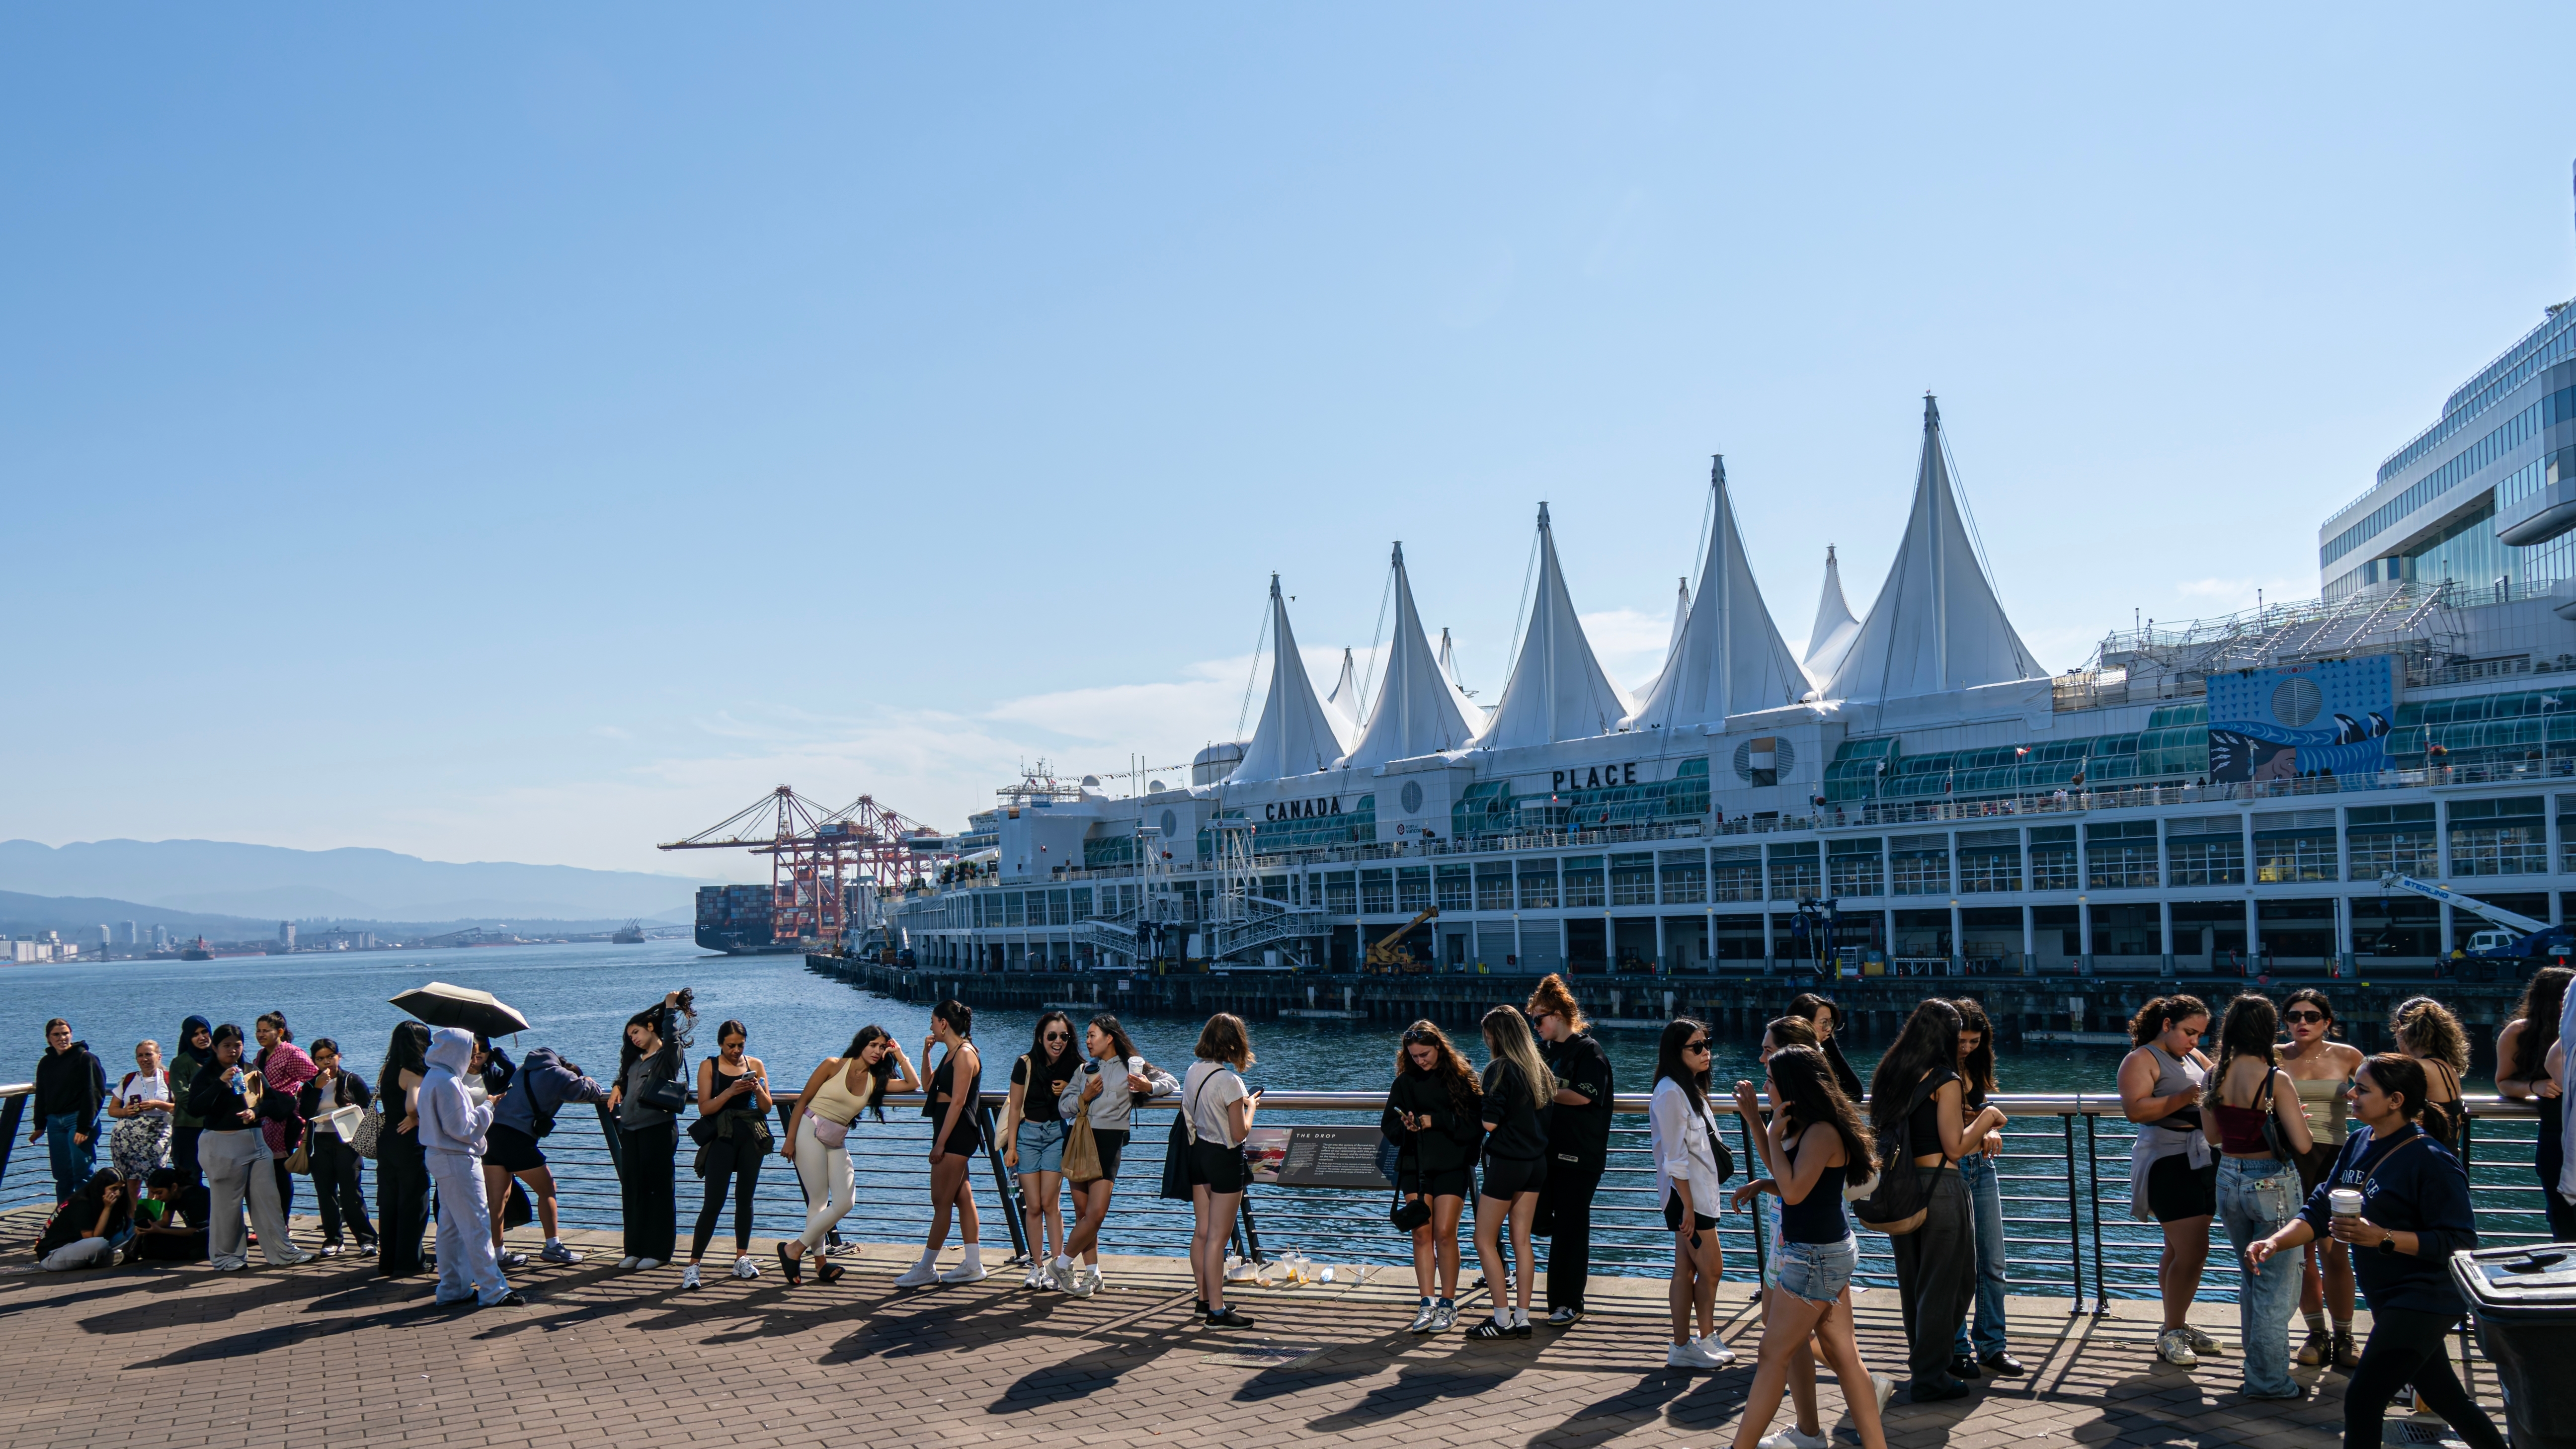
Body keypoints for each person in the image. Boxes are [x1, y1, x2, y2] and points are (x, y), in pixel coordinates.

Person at [2247, 1055, 2506, 1449]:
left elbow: (2459, 1242)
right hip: (2387, 1295)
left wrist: (2383, 1237)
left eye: (2363, 1089)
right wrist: (2275, 1241)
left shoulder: (2432, 1161)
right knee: (2444, 1396)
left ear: (2396, 1100)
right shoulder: (2358, 1142)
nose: (2351, 1094)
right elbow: (2319, 1208)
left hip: (2425, 1298)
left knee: (2363, 1399)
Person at [1730, 1045, 1887, 1449]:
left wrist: (1768, 1132)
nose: (1765, 1086)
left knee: (1772, 1355)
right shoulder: (1807, 1126)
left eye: (1771, 1081)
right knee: (1845, 1357)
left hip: (1816, 1257)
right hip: (1826, 1251)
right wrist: (1760, 1131)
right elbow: (1791, 1181)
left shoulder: (1821, 1132)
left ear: (1792, 1087)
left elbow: (1795, 1193)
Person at [1871, 997, 2001, 1403]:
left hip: (1900, 1188)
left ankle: (1925, 1365)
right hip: (1939, 1188)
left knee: (1915, 1283)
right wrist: (1989, 1117)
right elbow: (1956, 1146)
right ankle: (1931, 1376)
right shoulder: (1946, 1080)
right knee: (1951, 1282)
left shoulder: (1891, 1074)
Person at [2202, 992, 2316, 1400]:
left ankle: (2257, 1367)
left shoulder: (2212, 1075)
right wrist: (2294, 1119)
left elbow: (2214, 1137)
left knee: (2251, 1277)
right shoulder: (2276, 1079)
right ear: (2268, 1031)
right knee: (2275, 1282)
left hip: (2228, 1177)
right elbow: (2303, 1145)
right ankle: (2268, 1381)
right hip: (2271, 1181)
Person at [2117, 993, 2217, 1369]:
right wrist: (2186, 1096)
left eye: (2200, 1035)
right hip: (2167, 1161)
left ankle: (2175, 1324)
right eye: (2189, 1032)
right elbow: (2135, 1110)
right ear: (2166, 1025)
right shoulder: (2141, 1059)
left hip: (2202, 1157)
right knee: (2193, 1252)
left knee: (2178, 1251)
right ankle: (2171, 1332)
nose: (2195, 1041)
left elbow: (2218, 1085)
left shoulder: (2192, 1057)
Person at [1050, 1013, 1177, 1297]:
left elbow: (1172, 1083)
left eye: (1093, 1035)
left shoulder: (1134, 1066)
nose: (1087, 1040)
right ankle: (1093, 1275)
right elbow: (1064, 1106)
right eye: (1087, 1035)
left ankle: (1061, 1264)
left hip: (1109, 1141)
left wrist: (1148, 1086)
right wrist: (1084, 1097)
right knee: (1083, 1214)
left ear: (1110, 1038)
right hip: (1079, 1138)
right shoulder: (1085, 1070)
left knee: (1095, 1214)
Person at [780, 1024, 914, 1286]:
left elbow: (913, 1083)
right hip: (810, 1128)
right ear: (861, 1044)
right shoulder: (833, 1065)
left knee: (845, 1201)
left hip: (836, 1138)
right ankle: (819, 1264)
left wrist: (899, 1054)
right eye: (873, 1045)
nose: (877, 1051)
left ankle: (794, 1249)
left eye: (882, 1047)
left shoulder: (877, 1081)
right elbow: (803, 1100)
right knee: (818, 1199)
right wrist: (789, 1139)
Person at [2280, 987, 2367, 1370]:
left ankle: (2346, 1335)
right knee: (2302, 1256)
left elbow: (2373, 1095)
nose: (2302, 1023)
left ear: (2327, 1022)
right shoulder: (2275, 1056)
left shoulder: (2348, 1056)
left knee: (2337, 1253)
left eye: (2311, 1016)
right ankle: (2316, 1333)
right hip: (2288, 1160)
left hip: (2335, 1160)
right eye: (2294, 1016)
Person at [1383, 1020, 1483, 1334]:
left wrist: (1433, 1121)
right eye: (1413, 1056)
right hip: (1416, 1165)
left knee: (1444, 1233)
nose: (1420, 1060)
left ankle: (1448, 1303)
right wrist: (1408, 1125)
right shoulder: (1404, 1082)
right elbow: (1389, 1126)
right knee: (1421, 1234)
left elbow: (1475, 1124)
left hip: (1452, 1165)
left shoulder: (1461, 1076)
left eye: (1424, 1054)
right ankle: (1426, 1302)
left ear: (1439, 1047)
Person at [187, 1023, 309, 1271]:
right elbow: (195, 1109)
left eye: (238, 1045)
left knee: (268, 1200)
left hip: (255, 1141)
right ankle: (227, 1257)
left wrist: (255, 1111)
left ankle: (283, 1252)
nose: (233, 1050)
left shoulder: (251, 1070)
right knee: (227, 1205)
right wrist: (220, 1084)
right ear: (215, 1047)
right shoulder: (206, 1075)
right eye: (227, 1046)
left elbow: (272, 1102)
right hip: (221, 1144)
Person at [1466, 1004, 1555, 1342]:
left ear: (1496, 1035)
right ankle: (1522, 1318)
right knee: (1523, 1241)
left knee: (1483, 1239)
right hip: (1536, 1163)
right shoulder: (1539, 1070)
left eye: (1488, 1033)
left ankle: (1501, 1319)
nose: (1486, 1039)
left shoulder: (1499, 1069)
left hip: (1507, 1164)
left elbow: (1490, 1122)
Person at [1941, 998, 2019, 1381]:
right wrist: (1985, 1120)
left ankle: (1992, 1346)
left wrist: (1988, 1127)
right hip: (1948, 1171)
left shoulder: (1974, 1065)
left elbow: (1977, 1112)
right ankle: (1956, 1349)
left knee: (1993, 1263)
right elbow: (1948, 1129)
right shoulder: (1933, 1070)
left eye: (1975, 1041)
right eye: (1962, 1040)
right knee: (1957, 1267)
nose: (1968, 1047)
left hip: (1981, 1167)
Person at [1529, 973, 1612, 1328]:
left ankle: (1567, 1303)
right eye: (1532, 1020)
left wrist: (1539, 1092)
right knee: (1539, 1221)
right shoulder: (1544, 1053)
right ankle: (1558, 1301)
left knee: (1571, 1229)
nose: (1536, 1027)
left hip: (1580, 1156)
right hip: (1547, 1153)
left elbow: (1583, 1094)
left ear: (1560, 1014)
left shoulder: (1587, 1051)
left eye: (1539, 1019)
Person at [418, 1027, 521, 1308]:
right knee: (477, 1224)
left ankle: (452, 1287)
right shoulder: (449, 1082)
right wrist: (488, 1105)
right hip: (457, 1157)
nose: (474, 1055)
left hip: (440, 1156)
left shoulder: (434, 1077)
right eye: (470, 1050)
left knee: (450, 1228)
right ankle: (493, 1289)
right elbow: (463, 1129)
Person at [484, 1042, 609, 1270]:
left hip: (492, 1135)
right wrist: (588, 1080)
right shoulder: (559, 1075)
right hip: (517, 1139)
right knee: (548, 1189)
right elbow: (592, 1091)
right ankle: (553, 1247)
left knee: (497, 1198)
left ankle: (497, 1252)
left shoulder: (525, 1068)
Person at [1651, 1017, 1731, 1368]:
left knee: (1685, 1268)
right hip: (1689, 1199)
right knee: (1712, 1268)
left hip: (1698, 1195)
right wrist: (1685, 1205)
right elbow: (1675, 1157)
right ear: (1676, 1052)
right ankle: (1698, 1339)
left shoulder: (1689, 1089)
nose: (1706, 1052)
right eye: (1696, 1047)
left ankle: (1690, 1343)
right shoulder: (1670, 1092)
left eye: (1707, 1044)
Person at [888, 1000, 986, 1288]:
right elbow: (929, 1087)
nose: (931, 1026)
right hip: (948, 1131)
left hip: (955, 1134)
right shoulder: (951, 1053)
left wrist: (940, 1144)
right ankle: (973, 1264)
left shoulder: (965, 1055)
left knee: (940, 1201)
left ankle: (927, 1268)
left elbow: (958, 1102)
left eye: (933, 1021)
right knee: (961, 1198)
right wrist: (926, 1053)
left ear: (944, 1023)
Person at [1181, 1013, 1260, 1328]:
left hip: (1198, 1154)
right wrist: (1250, 1107)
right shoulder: (1230, 1081)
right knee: (1218, 1238)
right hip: (1225, 1160)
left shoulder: (1192, 1072)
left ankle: (1204, 1299)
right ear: (1233, 1044)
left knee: (1202, 1233)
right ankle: (1217, 1311)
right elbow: (1240, 1133)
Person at [683, 1020, 774, 1290]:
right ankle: (693, 1265)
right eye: (731, 1045)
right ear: (720, 1043)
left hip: (751, 1138)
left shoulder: (755, 1065)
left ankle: (741, 1258)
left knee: (745, 1200)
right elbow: (705, 1107)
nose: (736, 1050)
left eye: (741, 1045)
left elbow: (767, 1108)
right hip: (721, 1139)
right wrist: (731, 1091)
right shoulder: (708, 1066)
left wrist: (757, 1089)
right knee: (713, 1202)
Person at [607, 989, 692, 1273]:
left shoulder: (668, 1056)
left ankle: (659, 1251)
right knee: (633, 1190)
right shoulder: (635, 1060)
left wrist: (670, 1009)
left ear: (651, 1027)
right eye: (630, 1035)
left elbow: (672, 1038)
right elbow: (626, 1077)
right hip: (630, 1130)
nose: (633, 1038)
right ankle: (635, 1249)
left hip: (658, 1128)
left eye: (636, 1032)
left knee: (659, 1191)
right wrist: (619, 1085)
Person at [1000, 1011, 1080, 1289]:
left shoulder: (1075, 1066)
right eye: (1052, 1036)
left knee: (1050, 1203)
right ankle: (1037, 1267)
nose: (1058, 1041)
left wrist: (1071, 1088)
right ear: (1040, 1038)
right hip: (1028, 1137)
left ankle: (1058, 1266)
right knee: (1032, 1206)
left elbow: (1092, 1095)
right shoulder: (1025, 1063)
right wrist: (1011, 1147)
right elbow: (1014, 1107)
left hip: (1057, 1135)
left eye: (1064, 1036)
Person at [2497, 967, 2575, 1243]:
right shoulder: (2520, 1032)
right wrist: (2534, 1087)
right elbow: (2503, 1082)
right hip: (2556, 1134)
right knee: (2562, 1213)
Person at [295, 1038, 378, 1258]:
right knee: (326, 1193)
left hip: (347, 1142)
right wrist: (317, 1088)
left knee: (352, 1192)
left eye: (330, 1057)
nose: (326, 1063)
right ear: (314, 1061)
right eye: (320, 1059)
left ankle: (367, 1240)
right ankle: (333, 1239)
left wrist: (354, 1108)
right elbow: (305, 1113)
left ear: (339, 1057)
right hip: (320, 1142)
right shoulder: (311, 1084)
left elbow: (369, 1109)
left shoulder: (352, 1080)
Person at [375, 1023, 434, 1277]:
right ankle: (410, 1260)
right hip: (408, 1142)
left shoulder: (388, 1068)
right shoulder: (414, 1072)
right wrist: (416, 1118)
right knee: (414, 1202)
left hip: (387, 1139)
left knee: (389, 1202)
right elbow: (413, 1105)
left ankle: (388, 1258)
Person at [250, 1013, 316, 1224]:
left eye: (266, 1031)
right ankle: (271, 1221)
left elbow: (314, 1078)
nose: (261, 1035)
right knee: (265, 1174)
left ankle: (283, 1222)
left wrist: (297, 1096)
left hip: (284, 1120)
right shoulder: (261, 1054)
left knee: (280, 1172)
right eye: (258, 1031)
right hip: (265, 1119)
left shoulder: (292, 1053)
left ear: (279, 1032)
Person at [32, 1018, 106, 1205]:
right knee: (62, 1175)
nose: (62, 1038)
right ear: (49, 1039)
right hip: (55, 1123)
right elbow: (42, 1095)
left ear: (71, 1035)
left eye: (65, 1033)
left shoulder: (85, 1058)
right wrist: (39, 1125)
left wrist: (84, 1127)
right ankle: (63, 1219)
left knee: (82, 1173)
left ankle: (87, 1218)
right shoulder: (46, 1063)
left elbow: (94, 1093)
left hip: (78, 1121)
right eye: (56, 1035)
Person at [2390, 997, 2469, 1153]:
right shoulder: (2447, 1067)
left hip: (2422, 1155)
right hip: (2446, 1154)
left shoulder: (2416, 1068)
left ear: (2401, 1028)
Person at [106, 1039, 176, 1187]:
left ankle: (152, 1211)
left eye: (149, 1054)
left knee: (156, 1181)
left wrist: (158, 1104)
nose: (144, 1059)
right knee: (130, 1182)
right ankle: (132, 1211)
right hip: (126, 1140)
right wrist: (126, 1111)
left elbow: (179, 1108)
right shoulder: (129, 1079)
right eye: (140, 1056)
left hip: (157, 1136)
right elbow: (112, 1110)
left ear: (159, 1056)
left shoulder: (170, 1079)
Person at [33, 1168, 133, 1272]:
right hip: (55, 1254)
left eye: (121, 1189)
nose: (118, 1193)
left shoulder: (109, 1200)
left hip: (81, 1247)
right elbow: (93, 1238)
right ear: (102, 1187)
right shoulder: (81, 1204)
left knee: (134, 1226)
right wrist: (107, 1209)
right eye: (114, 1189)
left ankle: (106, 1257)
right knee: (99, 1243)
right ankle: (104, 1259)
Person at [167, 1016, 215, 1209]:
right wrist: (211, 1109)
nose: (201, 1037)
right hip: (188, 1129)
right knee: (190, 1179)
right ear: (187, 1038)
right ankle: (196, 1222)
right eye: (195, 1034)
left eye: (205, 1032)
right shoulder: (181, 1062)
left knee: (222, 1177)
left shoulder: (220, 1057)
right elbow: (183, 1096)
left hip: (217, 1129)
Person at [1785, 993, 1866, 1100]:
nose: (1829, 1028)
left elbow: (1855, 1094)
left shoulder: (1823, 1054)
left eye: (1831, 1022)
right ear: (1803, 1024)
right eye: (1824, 1023)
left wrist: (1831, 1047)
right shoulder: (1789, 1058)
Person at [130, 1166, 208, 1262]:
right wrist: (147, 1227)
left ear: (174, 1187)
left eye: (159, 1193)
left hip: (208, 1233)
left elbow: (198, 1230)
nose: (157, 1197)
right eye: (154, 1194)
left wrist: (159, 1231)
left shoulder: (196, 1197)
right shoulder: (172, 1196)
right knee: (151, 1239)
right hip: (193, 1233)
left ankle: (199, 1251)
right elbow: (165, 1222)